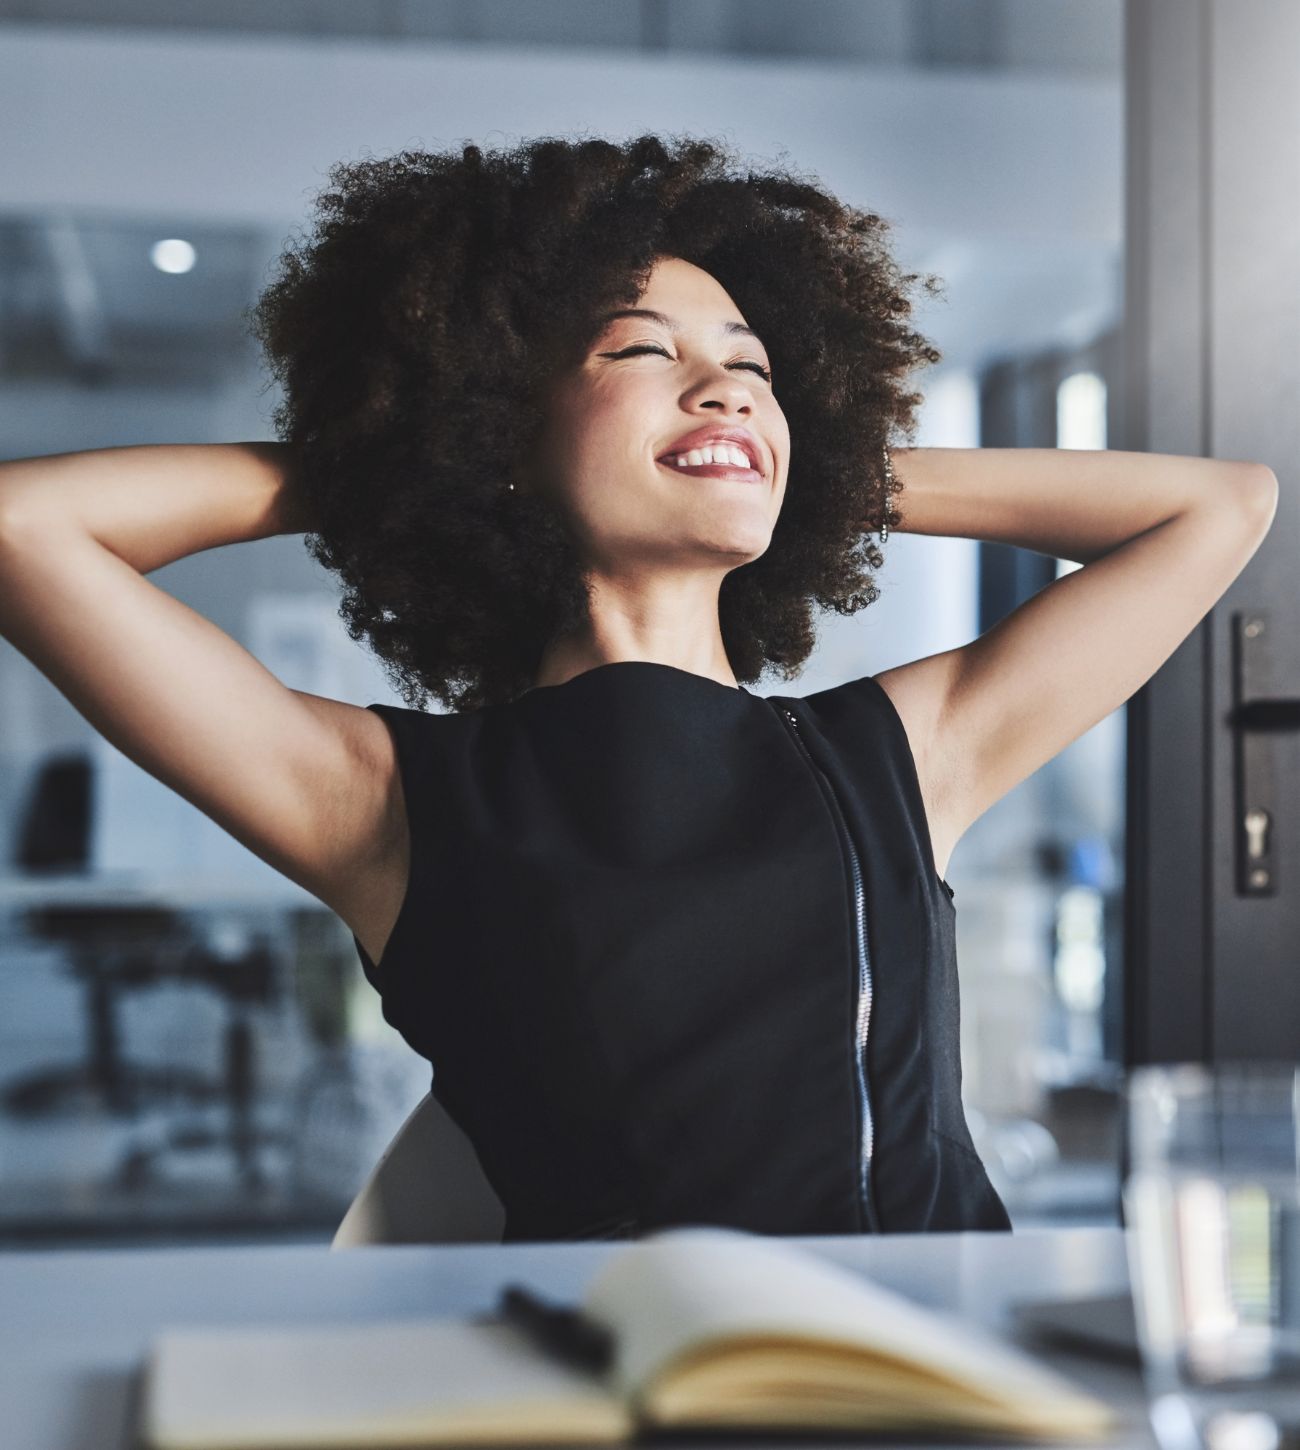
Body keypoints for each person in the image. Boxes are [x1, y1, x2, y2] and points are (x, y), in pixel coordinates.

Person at [0, 134, 1276, 1242]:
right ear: (499, 424)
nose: (723, 384)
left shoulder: (900, 753)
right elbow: (23, 529)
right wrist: (399, 465)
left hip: (945, 1354)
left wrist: (805, 469)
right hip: (634, 1379)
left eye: (756, 370)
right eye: (642, 352)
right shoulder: (383, 802)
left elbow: (1219, 508)